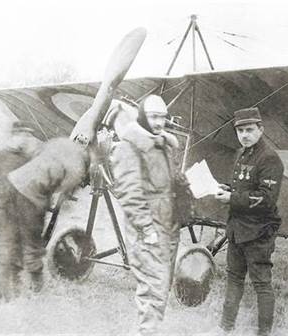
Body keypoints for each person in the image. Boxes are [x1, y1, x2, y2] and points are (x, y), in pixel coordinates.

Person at [110, 94, 180, 336]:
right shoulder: (129, 147)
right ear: (141, 117)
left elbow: (170, 184)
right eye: (153, 116)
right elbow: (130, 193)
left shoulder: (162, 145)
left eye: (162, 116)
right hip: (148, 231)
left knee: (160, 289)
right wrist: (147, 229)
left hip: (168, 226)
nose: (159, 122)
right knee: (153, 289)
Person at [213, 107, 284, 336]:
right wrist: (228, 189)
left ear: (261, 129)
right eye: (240, 130)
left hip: (258, 231)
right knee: (233, 278)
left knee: (261, 284)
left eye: (249, 130)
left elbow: (266, 199)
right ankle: (226, 328)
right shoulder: (243, 153)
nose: (244, 135)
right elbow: (244, 186)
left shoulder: (269, 158)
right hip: (237, 229)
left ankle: (264, 333)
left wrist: (232, 197)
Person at [6, 137, 91, 293]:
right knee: (34, 244)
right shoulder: (79, 165)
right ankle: (36, 290)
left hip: (13, 183)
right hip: (31, 196)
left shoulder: (59, 143)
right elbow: (66, 193)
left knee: (15, 236)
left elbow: (35, 152)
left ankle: (13, 278)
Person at [0, 121, 41, 301]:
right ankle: (0, 296)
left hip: (23, 213)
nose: (27, 139)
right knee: (4, 253)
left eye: (29, 136)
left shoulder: (28, 159)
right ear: (15, 135)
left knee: (18, 255)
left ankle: (16, 293)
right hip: (3, 212)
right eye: (24, 135)